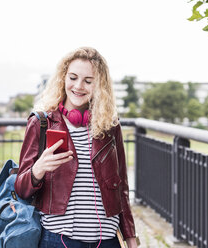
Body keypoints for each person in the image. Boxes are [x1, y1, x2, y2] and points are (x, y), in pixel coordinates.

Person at [15, 47, 137, 248]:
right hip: (58, 239)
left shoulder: (110, 126)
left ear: (99, 85)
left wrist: (131, 237)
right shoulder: (41, 123)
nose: (78, 86)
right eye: (73, 77)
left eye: (88, 81)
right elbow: (21, 188)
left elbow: (121, 185)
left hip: (106, 240)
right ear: (63, 78)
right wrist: (38, 169)